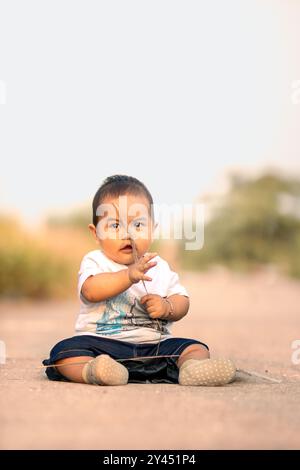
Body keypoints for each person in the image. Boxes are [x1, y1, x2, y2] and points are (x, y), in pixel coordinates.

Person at [43, 175, 236, 386]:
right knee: (64, 351)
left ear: (152, 229)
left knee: (196, 348)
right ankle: (94, 370)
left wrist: (168, 306)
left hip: (154, 347)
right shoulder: (95, 261)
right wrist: (128, 276)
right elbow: (90, 290)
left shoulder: (158, 265)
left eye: (138, 224)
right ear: (96, 233)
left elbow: (182, 299)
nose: (127, 234)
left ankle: (192, 369)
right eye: (115, 226)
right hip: (103, 346)